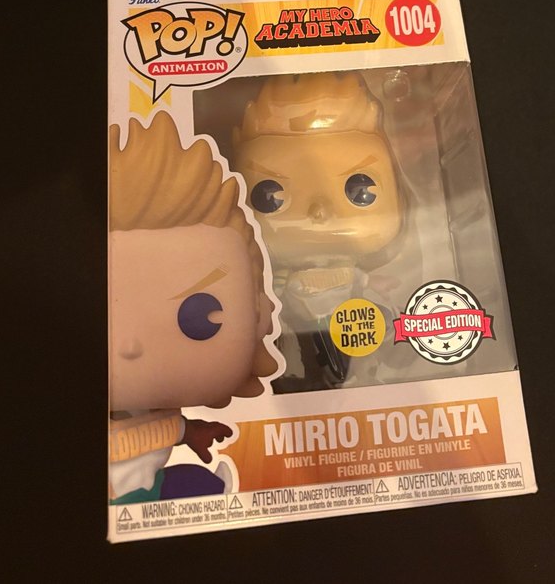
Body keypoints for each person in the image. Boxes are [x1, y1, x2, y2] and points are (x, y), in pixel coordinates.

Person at [109, 111, 278, 503]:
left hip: (148, 487)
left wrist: (189, 431)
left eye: (199, 317)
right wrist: (184, 430)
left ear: (260, 310)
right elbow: (128, 440)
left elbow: (145, 433)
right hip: (119, 499)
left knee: (198, 485)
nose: (131, 345)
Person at [234, 71, 402, 390]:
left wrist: (374, 282)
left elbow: (359, 281)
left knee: (354, 347)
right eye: (270, 196)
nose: (319, 211)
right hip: (299, 319)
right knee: (306, 351)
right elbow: (273, 294)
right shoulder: (281, 274)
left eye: (360, 190)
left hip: (351, 316)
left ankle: (350, 374)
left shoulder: (350, 269)